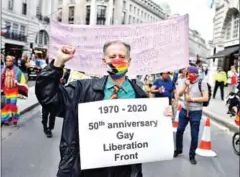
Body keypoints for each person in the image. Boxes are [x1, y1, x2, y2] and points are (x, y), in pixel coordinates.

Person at [35, 41, 172, 177]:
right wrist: (57, 64)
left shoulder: (140, 96)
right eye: (112, 57)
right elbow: (49, 98)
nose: (117, 60)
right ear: (104, 61)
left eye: (122, 57)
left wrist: (162, 119)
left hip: (123, 170)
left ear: (129, 62)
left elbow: (146, 134)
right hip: (85, 169)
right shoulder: (82, 90)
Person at [174, 66, 209, 165]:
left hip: (196, 112)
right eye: (187, 74)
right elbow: (179, 94)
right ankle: (178, 149)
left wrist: (192, 99)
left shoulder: (202, 82)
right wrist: (185, 85)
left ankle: (192, 155)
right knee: (179, 130)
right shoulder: (186, 80)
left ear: (195, 75)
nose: (187, 76)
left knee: (194, 135)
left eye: (189, 74)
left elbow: (206, 98)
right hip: (185, 110)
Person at [1, 55, 28, 125]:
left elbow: (23, 79)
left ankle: (15, 119)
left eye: (9, 61)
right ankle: (5, 119)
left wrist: (21, 87)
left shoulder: (17, 70)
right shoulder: (3, 69)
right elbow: (1, 79)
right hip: (6, 91)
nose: (7, 62)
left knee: (13, 106)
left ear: (13, 62)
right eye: (6, 61)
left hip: (13, 91)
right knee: (6, 106)